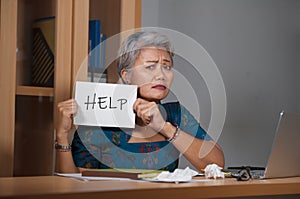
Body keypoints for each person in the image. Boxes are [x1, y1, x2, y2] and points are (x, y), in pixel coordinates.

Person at [55, 31, 224, 173]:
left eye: (166, 66)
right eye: (150, 66)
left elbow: (217, 164)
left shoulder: (175, 114)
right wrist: (62, 136)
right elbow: (73, 187)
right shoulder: (100, 115)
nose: (161, 75)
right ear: (126, 75)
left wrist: (164, 127)